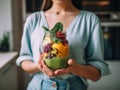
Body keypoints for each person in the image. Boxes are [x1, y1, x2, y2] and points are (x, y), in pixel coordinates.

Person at [16, 0, 111, 90]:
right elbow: (25, 60)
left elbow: (96, 75)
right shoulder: (33, 19)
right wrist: (39, 66)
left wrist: (75, 68)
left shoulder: (90, 19)